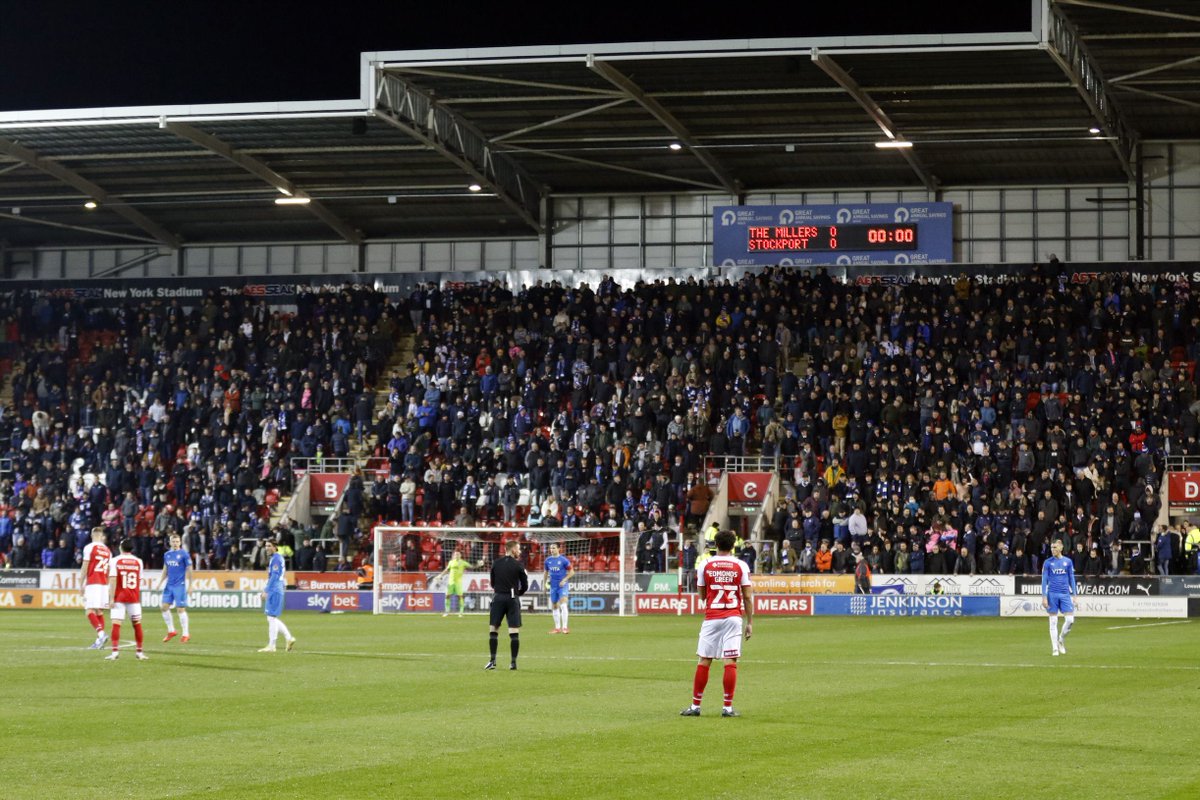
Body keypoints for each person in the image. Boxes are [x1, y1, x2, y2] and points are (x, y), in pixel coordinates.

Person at [680, 529, 753, 718]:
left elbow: (702, 593)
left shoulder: (705, 564)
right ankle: (727, 708)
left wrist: (709, 600)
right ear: (733, 545)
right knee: (730, 661)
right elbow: (747, 596)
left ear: (715, 545)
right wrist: (750, 622)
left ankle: (695, 706)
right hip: (733, 617)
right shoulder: (741, 565)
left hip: (712, 617)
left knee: (705, 659)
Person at [484, 539, 528, 671]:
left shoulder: (496, 563)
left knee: (493, 629)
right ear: (513, 549)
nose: (519, 551)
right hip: (512, 598)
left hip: (498, 597)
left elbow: (492, 583)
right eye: (518, 549)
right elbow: (525, 585)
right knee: (513, 631)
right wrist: (517, 593)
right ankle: (513, 663)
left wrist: (499, 590)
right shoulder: (519, 565)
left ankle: (492, 661)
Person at [105, 539, 148, 661]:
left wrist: (111, 598)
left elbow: (113, 580)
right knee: (137, 624)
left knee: (116, 624)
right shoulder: (138, 562)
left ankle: (114, 653)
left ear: (121, 547)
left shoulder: (115, 561)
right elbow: (139, 581)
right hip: (133, 598)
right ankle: (139, 652)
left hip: (119, 597)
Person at [1042, 539, 1078, 657]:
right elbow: (1044, 580)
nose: (1053, 550)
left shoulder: (1068, 562)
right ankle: (1054, 648)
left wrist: (1075, 595)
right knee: (1053, 621)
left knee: (1070, 620)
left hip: (1065, 594)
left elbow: (1071, 579)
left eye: (1055, 547)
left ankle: (1061, 639)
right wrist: (1044, 597)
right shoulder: (1047, 562)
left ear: (1061, 548)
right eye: (1052, 547)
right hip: (1052, 594)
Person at [258, 540, 296, 653]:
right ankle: (288, 638)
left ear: (275, 547)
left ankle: (272, 646)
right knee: (271, 617)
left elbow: (274, 576)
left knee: (271, 618)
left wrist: (266, 590)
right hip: (277, 588)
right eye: (266, 546)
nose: (267, 548)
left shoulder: (276, 559)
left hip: (274, 589)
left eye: (269, 546)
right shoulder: (278, 558)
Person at [80, 527, 111, 649]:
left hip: (93, 582)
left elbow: (85, 566)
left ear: (92, 535)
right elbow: (108, 570)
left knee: (89, 610)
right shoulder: (108, 550)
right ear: (101, 535)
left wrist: (81, 583)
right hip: (104, 583)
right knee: (99, 611)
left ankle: (101, 634)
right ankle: (99, 641)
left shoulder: (89, 547)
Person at [157, 533, 191, 643]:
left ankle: (185, 633)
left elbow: (190, 570)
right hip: (169, 585)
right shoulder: (167, 554)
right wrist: (159, 582)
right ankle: (171, 631)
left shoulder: (184, 554)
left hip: (179, 585)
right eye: (173, 541)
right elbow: (165, 570)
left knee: (180, 609)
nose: (175, 543)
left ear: (180, 542)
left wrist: (191, 585)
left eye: (177, 541)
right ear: (170, 542)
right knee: (164, 607)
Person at [543, 542, 575, 634]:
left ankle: (565, 627)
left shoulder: (564, 560)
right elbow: (545, 573)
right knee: (554, 605)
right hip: (553, 586)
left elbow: (572, 572)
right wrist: (544, 585)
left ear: (558, 549)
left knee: (563, 603)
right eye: (550, 548)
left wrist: (564, 580)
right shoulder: (547, 560)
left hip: (562, 585)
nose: (552, 550)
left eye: (553, 548)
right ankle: (557, 628)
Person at [435, 548, 474, 617]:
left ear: (460, 555)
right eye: (455, 554)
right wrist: (440, 575)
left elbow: (472, 567)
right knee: (447, 596)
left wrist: (479, 565)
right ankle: (447, 612)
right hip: (450, 582)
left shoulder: (463, 562)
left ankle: (461, 613)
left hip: (458, 583)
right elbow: (446, 570)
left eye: (458, 554)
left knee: (460, 597)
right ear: (453, 555)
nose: (457, 555)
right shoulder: (451, 562)